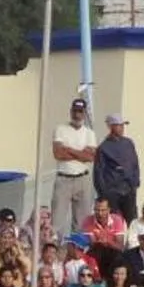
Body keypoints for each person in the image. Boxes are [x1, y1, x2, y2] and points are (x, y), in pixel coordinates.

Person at [50, 98, 97, 235]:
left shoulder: (89, 133)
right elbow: (58, 153)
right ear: (71, 112)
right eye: (75, 111)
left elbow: (89, 157)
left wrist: (68, 149)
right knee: (57, 221)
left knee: (82, 222)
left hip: (83, 179)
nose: (77, 115)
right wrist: (80, 154)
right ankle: (54, 251)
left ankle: (78, 251)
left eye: (80, 112)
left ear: (84, 113)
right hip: (64, 177)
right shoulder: (61, 129)